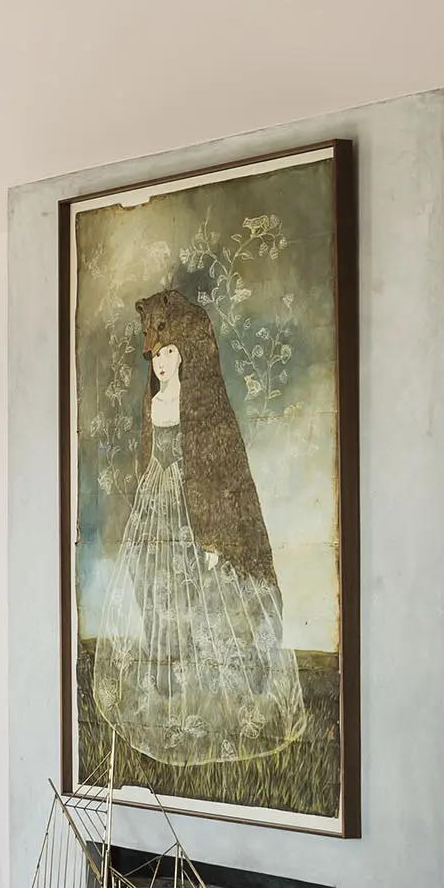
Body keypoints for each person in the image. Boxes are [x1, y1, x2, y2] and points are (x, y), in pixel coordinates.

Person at [90, 288, 306, 767]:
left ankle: (212, 699)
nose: (162, 362)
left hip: (192, 509)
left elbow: (216, 471)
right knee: (158, 596)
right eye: (157, 354)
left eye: (170, 352)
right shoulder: (155, 401)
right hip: (156, 506)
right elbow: (150, 461)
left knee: (204, 604)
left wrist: (212, 537)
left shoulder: (202, 406)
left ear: (185, 354)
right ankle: (167, 695)